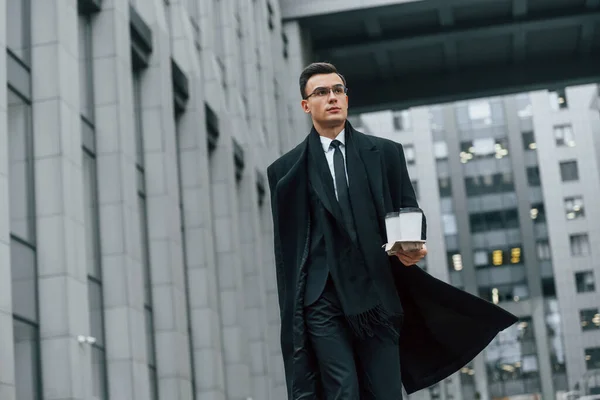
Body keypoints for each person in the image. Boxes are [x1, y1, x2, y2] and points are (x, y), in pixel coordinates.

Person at [267, 62, 517, 400]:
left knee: (385, 392)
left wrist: (414, 244)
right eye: (322, 92)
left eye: (338, 90)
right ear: (305, 105)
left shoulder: (384, 153)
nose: (332, 98)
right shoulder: (285, 172)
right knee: (343, 390)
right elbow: (287, 253)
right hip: (320, 299)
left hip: (377, 295)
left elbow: (407, 208)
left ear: (346, 98)